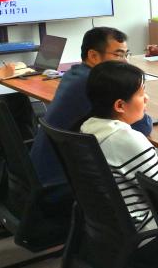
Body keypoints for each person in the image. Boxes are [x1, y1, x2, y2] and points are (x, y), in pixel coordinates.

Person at [30, 27, 148, 189]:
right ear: (93, 56)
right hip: (62, 184)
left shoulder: (74, 74)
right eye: (119, 55)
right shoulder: (97, 85)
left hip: (43, 174)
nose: (125, 62)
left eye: (126, 55)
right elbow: (142, 127)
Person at [80, 60, 158, 228]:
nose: (147, 98)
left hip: (109, 227)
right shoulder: (127, 140)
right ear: (120, 105)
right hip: (146, 228)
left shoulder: (87, 128)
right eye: (141, 94)